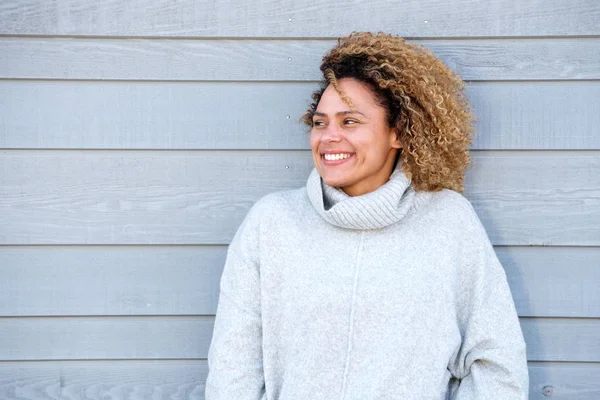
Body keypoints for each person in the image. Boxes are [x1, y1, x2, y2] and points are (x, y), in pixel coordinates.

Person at [205, 32, 528, 399]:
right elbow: (234, 369)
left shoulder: (449, 223)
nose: (328, 137)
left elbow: (496, 362)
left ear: (399, 132)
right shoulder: (272, 223)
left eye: (350, 121)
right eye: (320, 122)